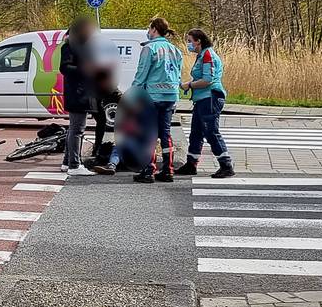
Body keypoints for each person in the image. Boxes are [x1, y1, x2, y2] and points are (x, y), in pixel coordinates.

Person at [94, 17, 182, 183]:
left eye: (149, 29)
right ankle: (168, 170)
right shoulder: (175, 50)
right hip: (171, 96)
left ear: (155, 29)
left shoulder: (150, 49)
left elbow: (141, 75)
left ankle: (149, 170)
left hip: (153, 97)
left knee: (149, 135)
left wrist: (132, 95)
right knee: (165, 134)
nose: (148, 32)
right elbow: (177, 74)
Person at [177, 28, 234, 178]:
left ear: (198, 41)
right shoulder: (202, 55)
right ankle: (191, 164)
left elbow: (207, 80)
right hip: (202, 99)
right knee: (196, 132)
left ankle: (226, 165)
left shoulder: (207, 55)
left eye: (190, 41)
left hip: (210, 98)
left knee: (211, 132)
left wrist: (189, 85)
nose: (188, 44)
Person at [59, 17, 100, 176]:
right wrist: (85, 69)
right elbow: (65, 67)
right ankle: (74, 165)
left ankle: (67, 162)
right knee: (77, 130)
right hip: (77, 93)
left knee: (74, 129)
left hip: (82, 92)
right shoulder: (70, 47)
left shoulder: (82, 46)